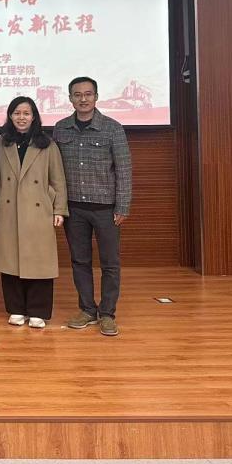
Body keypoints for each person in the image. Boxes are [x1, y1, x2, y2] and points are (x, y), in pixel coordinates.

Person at [53, 76, 133, 337]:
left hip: (106, 209)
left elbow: (124, 170)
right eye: (77, 95)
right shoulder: (61, 128)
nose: (83, 99)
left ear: (96, 97)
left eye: (88, 94)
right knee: (80, 261)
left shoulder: (113, 128)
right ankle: (87, 309)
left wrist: (122, 206)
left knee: (110, 263)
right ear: (70, 98)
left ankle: (107, 314)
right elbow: (54, 171)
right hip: (73, 208)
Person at [0, 96, 68, 328]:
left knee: (39, 261)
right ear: (10, 116)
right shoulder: (2, 142)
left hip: (39, 210)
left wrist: (59, 209)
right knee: (10, 259)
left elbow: (58, 179)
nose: (21, 117)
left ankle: (38, 311)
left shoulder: (47, 144)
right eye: (17, 113)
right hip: (9, 208)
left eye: (26, 113)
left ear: (34, 117)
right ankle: (16, 309)